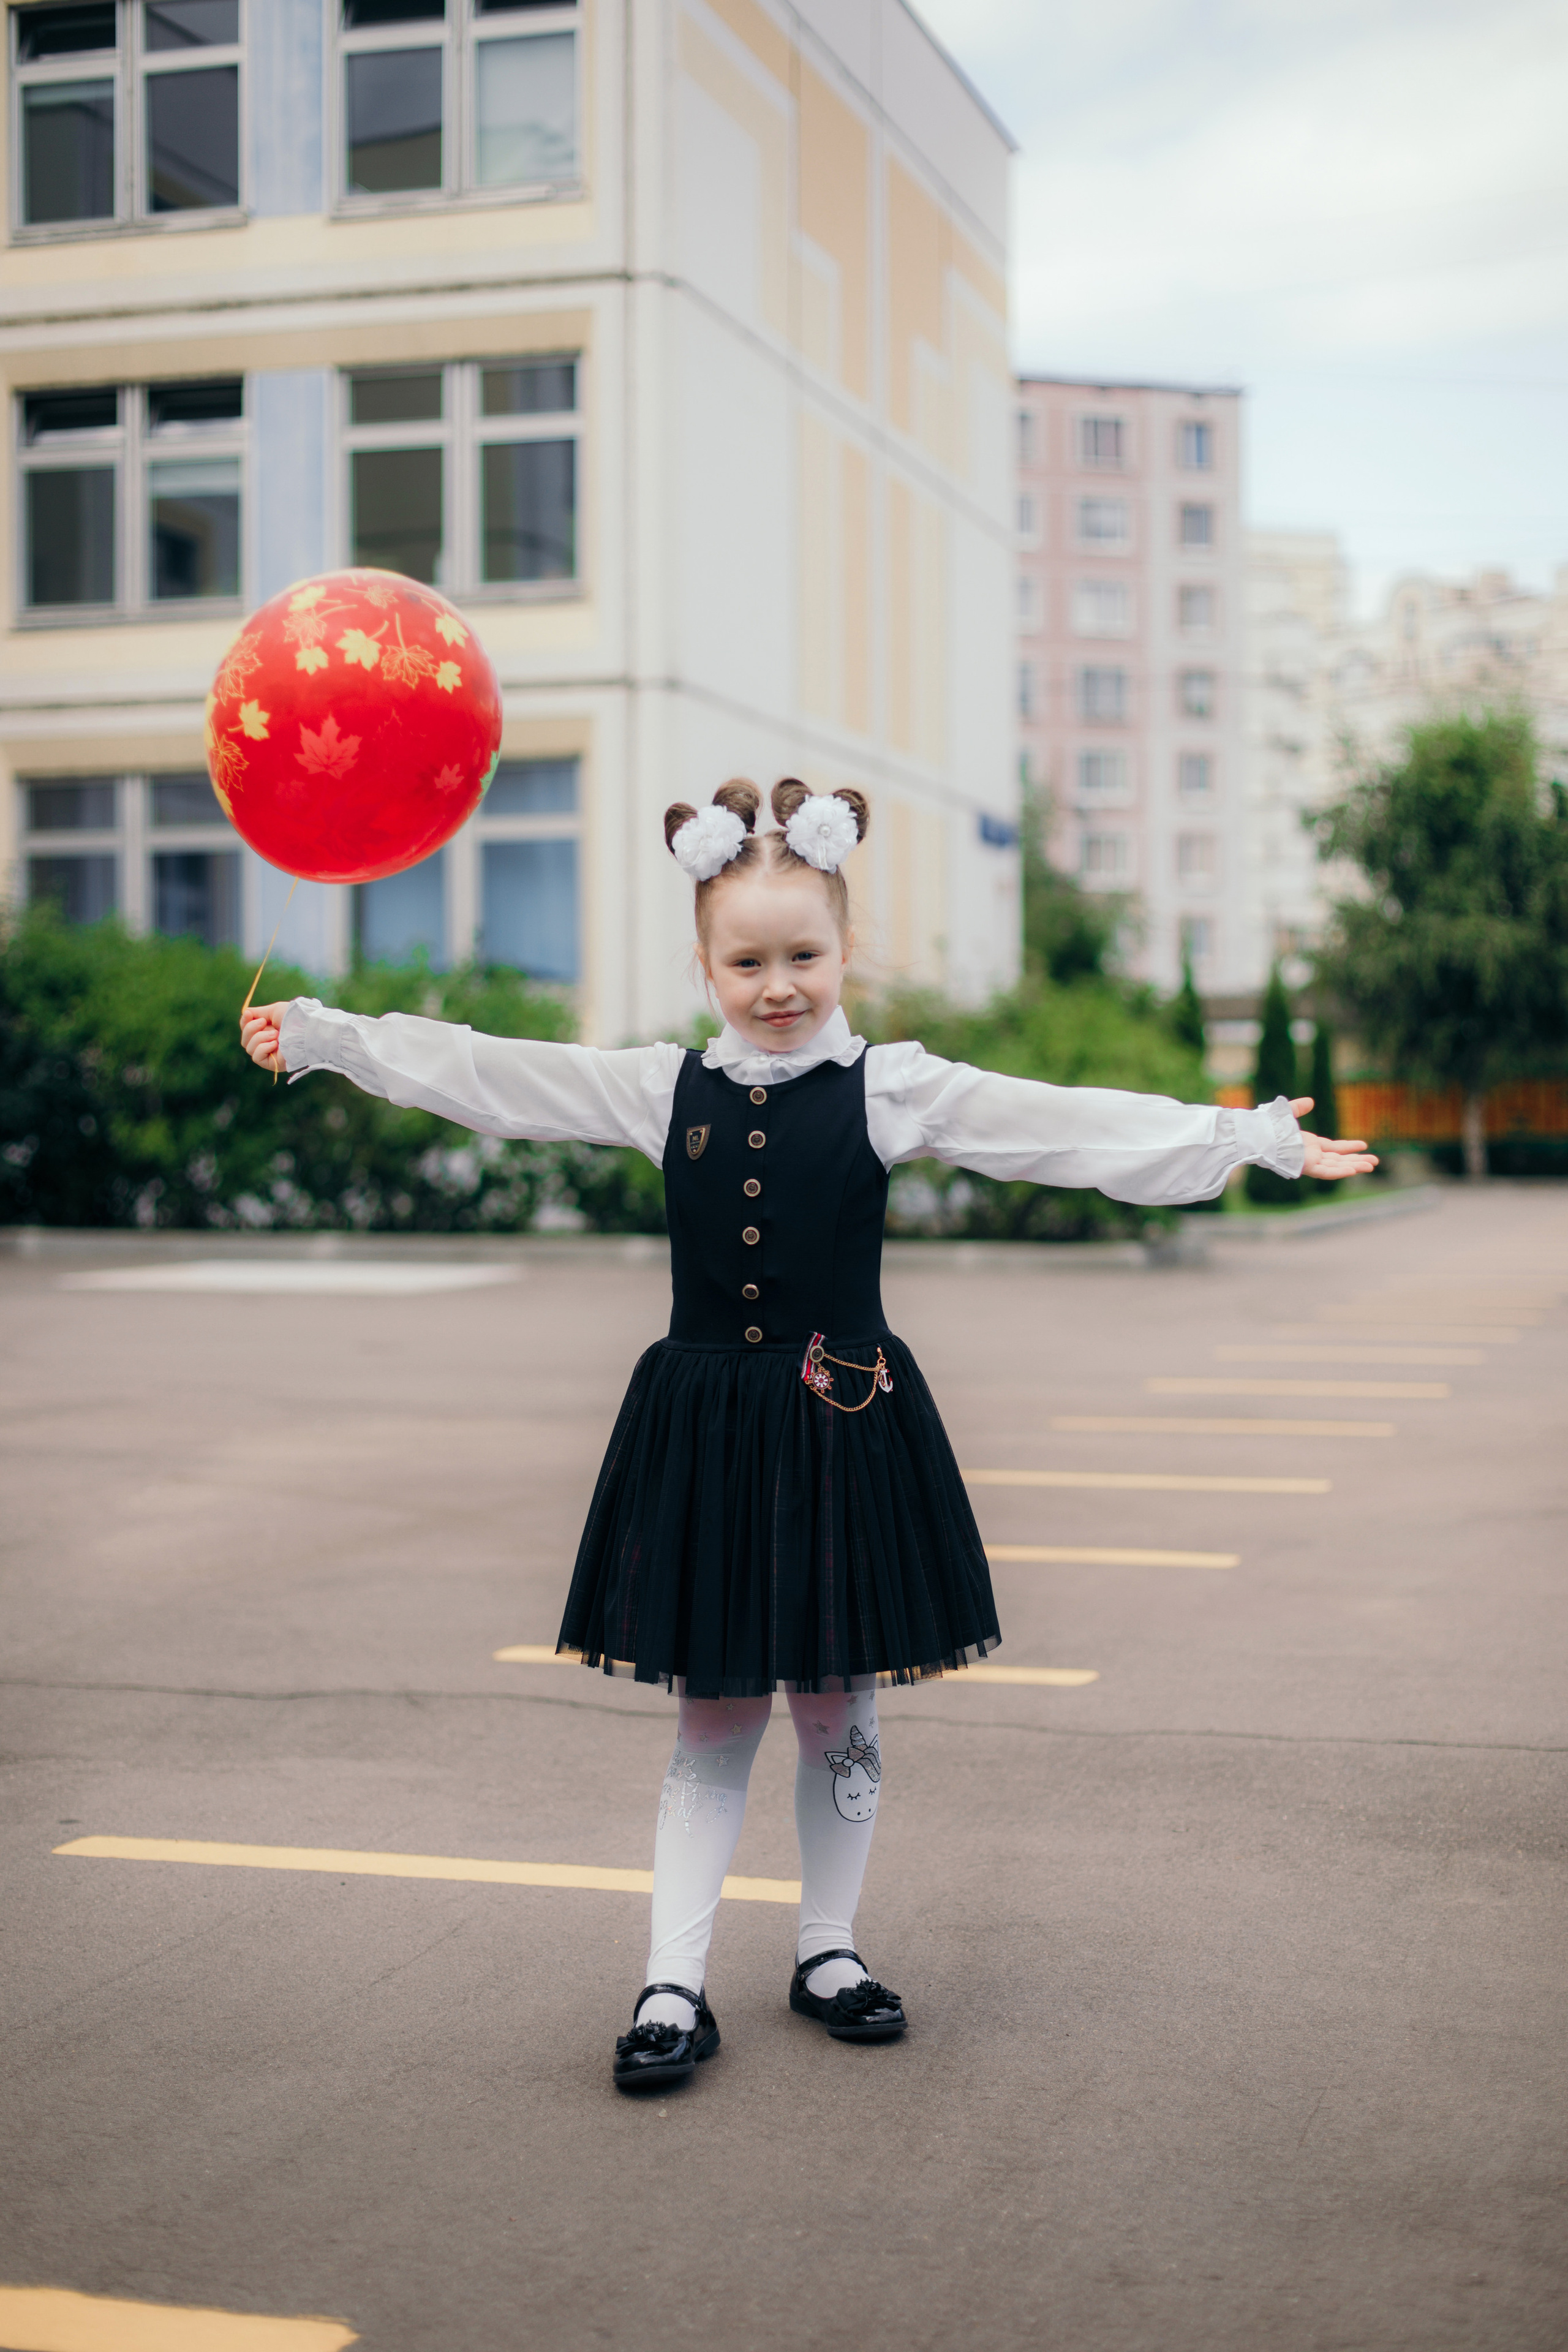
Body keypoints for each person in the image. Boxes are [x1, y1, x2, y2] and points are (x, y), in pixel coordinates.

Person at [240, 778, 1376, 2092]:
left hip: (844, 1427)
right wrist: (325, 1035)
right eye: (747, 963)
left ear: (844, 952)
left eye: (803, 957)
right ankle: (671, 1983)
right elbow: (496, 1073)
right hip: (709, 1435)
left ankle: (827, 1950)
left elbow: (1055, 1124)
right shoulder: (660, 1087)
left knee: (837, 1708)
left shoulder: (892, 1088)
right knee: (713, 1717)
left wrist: (1243, 1140)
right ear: (704, 964)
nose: (777, 986)